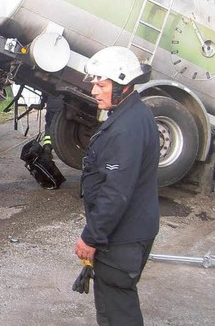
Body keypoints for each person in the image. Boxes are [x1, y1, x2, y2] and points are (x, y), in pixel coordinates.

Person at [73, 46, 160, 326]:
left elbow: (116, 191)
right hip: (132, 231)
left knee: (117, 313)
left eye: (102, 84)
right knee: (118, 306)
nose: (95, 91)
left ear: (123, 84)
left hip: (122, 238)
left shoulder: (127, 128)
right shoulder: (132, 114)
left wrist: (91, 237)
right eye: (95, 84)